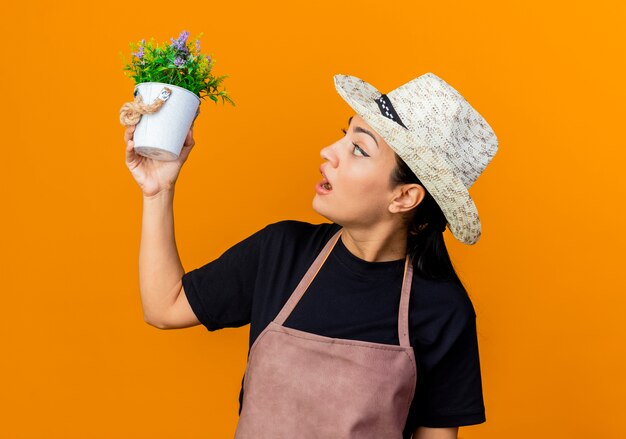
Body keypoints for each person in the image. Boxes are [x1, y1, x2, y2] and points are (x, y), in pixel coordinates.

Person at [124, 72, 499, 439]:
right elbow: (163, 307)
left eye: (359, 149)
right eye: (344, 136)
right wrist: (157, 192)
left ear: (404, 197)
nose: (328, 152)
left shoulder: (443, 310)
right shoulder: (281, 251)